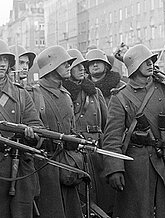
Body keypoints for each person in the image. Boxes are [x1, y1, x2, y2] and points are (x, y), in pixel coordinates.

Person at [102, 44, 165, 218]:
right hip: (138, 165)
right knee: (139, 212)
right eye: (145, 61)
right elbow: (112, 138)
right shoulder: (120, 97)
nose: (150, 64)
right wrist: (115, 169)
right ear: (133, 65)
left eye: (151, 60)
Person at [30, 45, 83, 218]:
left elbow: (72, 127)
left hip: (67, 165)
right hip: (45, 168)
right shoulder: (34, 94)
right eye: (65, 63)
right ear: (52, 66)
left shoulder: (66, 94)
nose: (69, 66)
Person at [62, 49, 113, 214]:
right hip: (77, 150)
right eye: (77, 66)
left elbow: (107, 123)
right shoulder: (65, 93)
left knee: (102, 194)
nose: (82, 68)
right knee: (82, 196)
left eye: (83, 65)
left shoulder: (94, 92)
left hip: (97, 149)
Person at [0, 40, 43, 218]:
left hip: (17, 168)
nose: (2, 64)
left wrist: (31, 135)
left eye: (5, 60)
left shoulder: (21, 94)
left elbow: (37, 126)